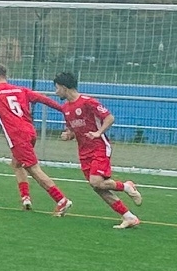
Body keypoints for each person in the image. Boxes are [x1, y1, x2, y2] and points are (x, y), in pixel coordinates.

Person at [0, 63, 72, 215]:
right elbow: (44, 99)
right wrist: (63, 110)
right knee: (16, 163)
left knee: (33, 169)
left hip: (17, 136)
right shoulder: (21, 90)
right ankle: (25, 198)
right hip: (30, 132)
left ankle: (61, 200)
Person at [52, 72, 142, 229]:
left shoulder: (88, 102)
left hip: (99, 147)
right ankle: (129, 217)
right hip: (84, 152)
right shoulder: (65, 108)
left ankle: (127, 187)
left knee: (96, 181)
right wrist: (68, 135)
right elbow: (73, 131)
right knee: (98, 187)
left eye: (57, 88)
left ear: (65, 88)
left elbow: (109, 118)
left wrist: (98, 132)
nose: (55, 92)